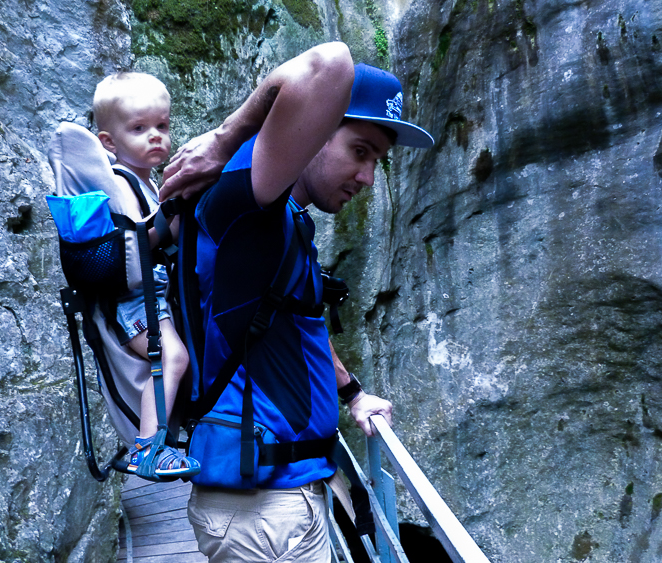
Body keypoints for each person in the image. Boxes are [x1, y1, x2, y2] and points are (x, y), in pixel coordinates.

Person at [159, 42, 434, 562]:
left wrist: (352, 392)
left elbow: (299, 327)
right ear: (316, 128)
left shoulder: (289, 224)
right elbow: (329, 64)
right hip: (259, 510)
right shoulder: (247, 207)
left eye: (377, 161)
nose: (368, 177)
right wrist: (225, 138)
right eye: (360, 150)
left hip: (291, 493)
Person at [91, 72, 198, 478]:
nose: (155, 136)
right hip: (134, 301)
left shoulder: (148, 184)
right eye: (139, 128)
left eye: (162, 126)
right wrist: (173, 206)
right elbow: (138, 244)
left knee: (175, 358)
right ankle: (146, 450)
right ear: (109, 142)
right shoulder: (120, 183)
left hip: (153, 298)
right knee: (171, 357)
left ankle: (164, 441)